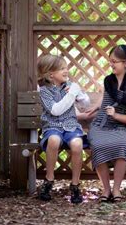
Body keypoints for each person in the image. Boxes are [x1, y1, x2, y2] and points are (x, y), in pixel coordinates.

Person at [88, 45, 126, 202]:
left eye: (114, 61)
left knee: (122, 145)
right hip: (100, 124)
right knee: (97, 145)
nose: (111, 64)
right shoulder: (108, 80)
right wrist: (95, 107)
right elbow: (104, 98)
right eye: (110, 61)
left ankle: (116, 189)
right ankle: (106, 189)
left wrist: (116, 115)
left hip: (119, 125)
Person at [37, 54, 90, 204]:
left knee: (77, 144)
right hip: (52, 126)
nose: (66, 71)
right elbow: (56, 110)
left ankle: (75, 185)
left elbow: (85, 105)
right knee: (53, 140)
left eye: (66, 67)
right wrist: (72, 94)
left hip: (71, 126)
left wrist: (79, 94)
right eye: (62, 69)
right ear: (50, 74)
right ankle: (49, 180)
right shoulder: (44, 91)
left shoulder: (70, 86)